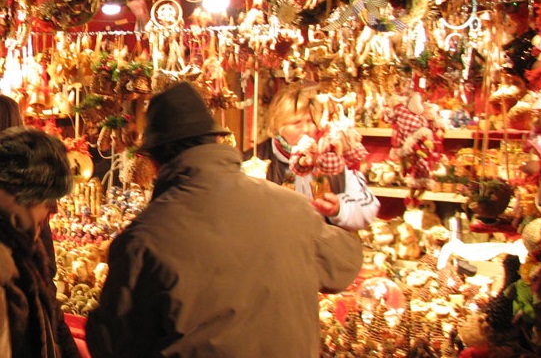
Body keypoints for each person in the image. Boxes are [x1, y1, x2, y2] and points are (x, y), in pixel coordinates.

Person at [85, 81, 363, 357]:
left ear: (155, 161)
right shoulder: (293, 208)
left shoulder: (143, 240)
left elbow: (110, 342)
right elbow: (345, 264)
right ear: (217, 140)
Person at [0, 94, 80, 357]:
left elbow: (49, 316)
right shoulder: (7, 264)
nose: (52, 210)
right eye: (45, 200)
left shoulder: (24, 247)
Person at [244, 84, 380, 231]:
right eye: (296, 123)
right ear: (278, 126)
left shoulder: (332, 159)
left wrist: (339, 209)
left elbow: (368, 206)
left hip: (322, 250)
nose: (307, 130)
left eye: (311, 121)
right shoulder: (253, 161)